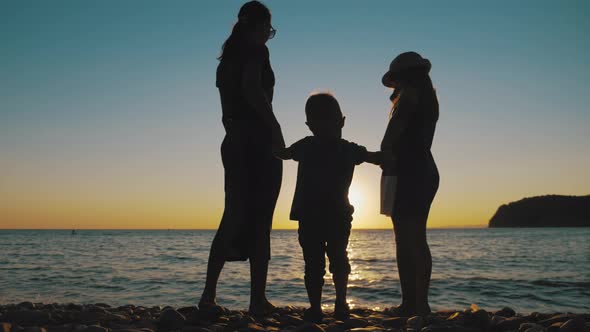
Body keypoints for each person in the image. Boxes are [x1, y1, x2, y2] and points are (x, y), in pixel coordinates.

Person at [199, 1, 284, 316]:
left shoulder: (226, 60)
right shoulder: (257, 51)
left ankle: (208, 295)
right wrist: (274, 127)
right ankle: (257, 300)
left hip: (233, 140)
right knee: (261, 219)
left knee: (232, 215)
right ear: (260, 25)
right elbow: (252, 88)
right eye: (269, 29)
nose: (268, 35)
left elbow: (226, 109)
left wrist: (236, 131)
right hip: (258, 141)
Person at [275, 93, 381, 323]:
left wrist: (265, 142)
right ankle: (340, 304)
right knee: (337, 260)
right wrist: (393, 157)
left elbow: (282, 153)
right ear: (342, 120)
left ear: (309, 125)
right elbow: (375, 157)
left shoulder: (306, 146)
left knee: (314, 264)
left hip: (312, 216)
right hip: (336, 216)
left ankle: (317, 307)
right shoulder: (348, 149)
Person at [380, 52, 440, 317]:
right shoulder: (426, 100)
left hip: (409, 173)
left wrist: (368, 155)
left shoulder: (409, 99)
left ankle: (415, 304)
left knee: (408, 240)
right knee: (411, 239)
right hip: (420, 170)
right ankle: (415, 303)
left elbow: (392, 142)